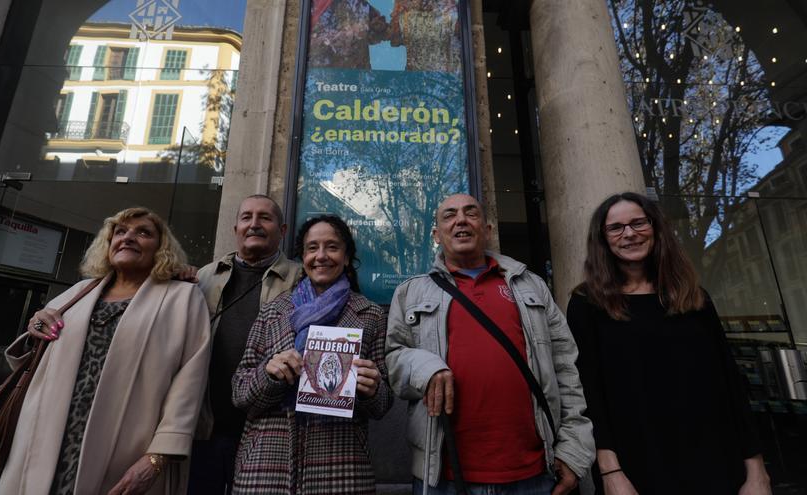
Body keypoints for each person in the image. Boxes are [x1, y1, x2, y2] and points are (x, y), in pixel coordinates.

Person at [386, 193, 594, 495]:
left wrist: (574, 451)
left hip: (535, 474)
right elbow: (393, 361)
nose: (461, 220)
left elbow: (566, 370)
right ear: (436, 235)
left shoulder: (531, 285)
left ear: (487, 229)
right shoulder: (411, 293)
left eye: (471, 213)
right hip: (444, 477)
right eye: (449, 215)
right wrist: (425, 368)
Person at [566, 192, 772, 495]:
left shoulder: (694, 297)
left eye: (638, 223)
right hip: (638, 466)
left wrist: (756, 469)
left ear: (655, 228)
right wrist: (610, 471)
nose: (630, 233)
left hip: (717, 459)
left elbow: (730, 383)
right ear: (602, 238)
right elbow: (589, 394)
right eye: (616, 227)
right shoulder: (587, 304)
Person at [0, 207, 211, 494]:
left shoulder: (182, 297)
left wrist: (158, 456)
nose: (128, 237)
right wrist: (35, 329)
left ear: (161, 248)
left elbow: (191, 381)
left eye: (143, 232)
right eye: (120, 232)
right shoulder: (79, 292)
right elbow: (33, 364)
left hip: (129, 453)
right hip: (44, 445)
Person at [231, 214, 393, 494]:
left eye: (332, 247)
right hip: (267, 464)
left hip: (341, 465)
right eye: (312, 247)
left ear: (346, 257)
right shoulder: (273, 311)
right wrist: (269, 373)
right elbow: (239, 392)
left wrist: (372, 388)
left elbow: (382, 404)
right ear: (302, 257)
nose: (321, 256)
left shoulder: (369, 315)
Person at [190, 195, 300, 494]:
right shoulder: (203, 277)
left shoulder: (302, 279)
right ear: (235, 226)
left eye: (265, 217)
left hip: (268, 430)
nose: (254, 224)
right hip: (207, 428)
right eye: (247, 217)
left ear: (283, 229)